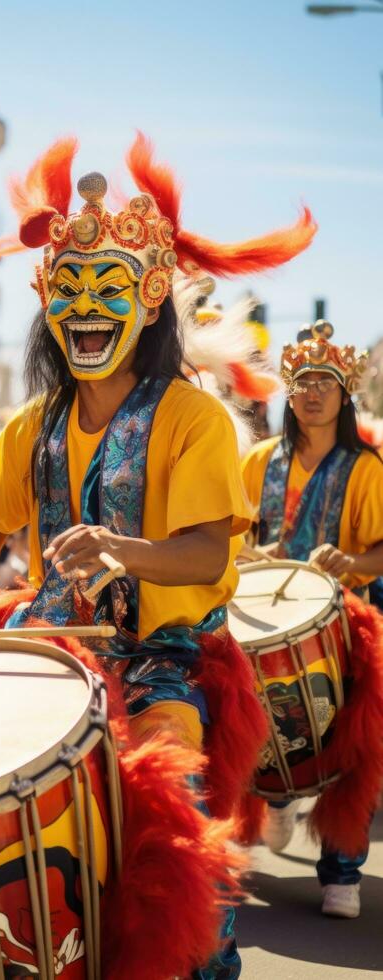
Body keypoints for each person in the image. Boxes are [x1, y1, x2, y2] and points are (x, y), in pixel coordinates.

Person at [0, 133, 317, 977]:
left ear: (151, 296)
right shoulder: (32, 423)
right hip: (49, 655)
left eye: (110, 287)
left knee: (174, 838)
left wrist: (121, 551)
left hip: (163, 662)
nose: (88, 306)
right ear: (49, 300)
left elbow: (202, 557)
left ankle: (204, 961)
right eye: (71, 288)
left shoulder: (191, 418)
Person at [241, 320, 383, 919]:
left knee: (356, 744)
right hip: (258, 615)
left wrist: (350, 559)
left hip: (343, 617)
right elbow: (226, 539)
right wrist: (254, 555)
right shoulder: (253, 462)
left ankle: (343, 870)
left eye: (326, 382)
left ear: (343, 394)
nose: (314, 393)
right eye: (302, 382)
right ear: (289, 395)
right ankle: (274, 797)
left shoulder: (368, 469)